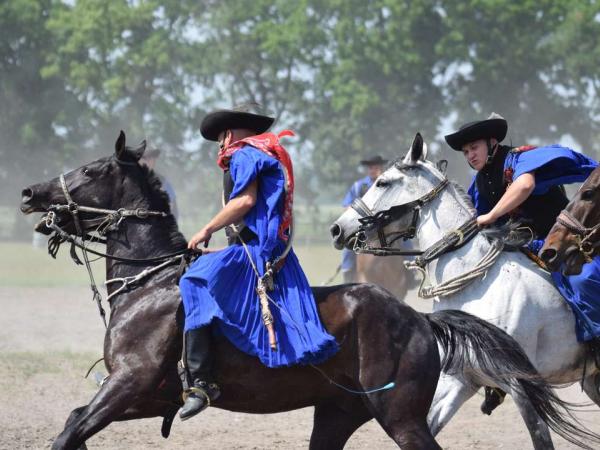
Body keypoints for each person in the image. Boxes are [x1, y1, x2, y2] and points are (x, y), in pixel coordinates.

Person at [177, 104, 338, 420]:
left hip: (255, 253)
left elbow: (245, 201)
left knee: (192, 280)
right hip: (261, 249)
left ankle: (201, 383)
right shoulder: (259, 153)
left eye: (220, 140)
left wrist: (207, 229)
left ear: (227, 134)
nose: (220, 146)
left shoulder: (244, 154)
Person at [445, 112, 600, 367]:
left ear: (492, 143)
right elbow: (474, 220)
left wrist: (492, 215)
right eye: (465, 152)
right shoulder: (479, 183)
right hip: (524, 249)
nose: (470, 155)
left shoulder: (519, 158)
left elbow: (525, 185)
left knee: (585, 279)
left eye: (474, 147)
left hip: (565, 244)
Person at [341, 155, 388, 282]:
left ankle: (411, 270)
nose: (373, 170)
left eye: (376, 167)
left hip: (386, 225)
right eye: (370, 167)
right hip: (363, 226)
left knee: (405, 242)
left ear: (381, 168)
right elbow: (346, 205)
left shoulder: (388, 185)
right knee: (349, 244)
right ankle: (348, 270)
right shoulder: (358, 186)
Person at [139, 147, 179, 220]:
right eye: (146, 158)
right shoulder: (128, 180)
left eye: (152, 157)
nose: (150, 161)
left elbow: (172, 208)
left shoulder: (162, 181)